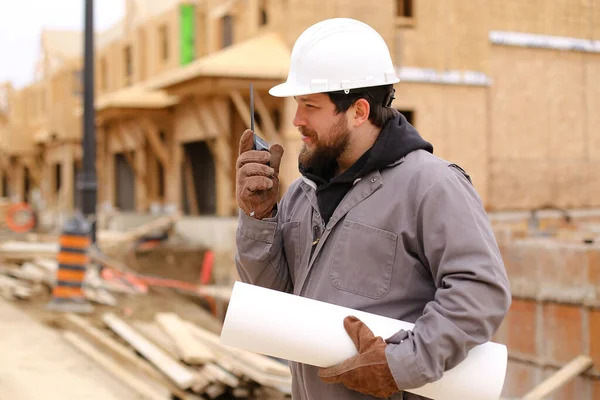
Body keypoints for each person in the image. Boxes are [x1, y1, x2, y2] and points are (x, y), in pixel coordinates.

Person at [234, 17, 511, 400]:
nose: (297, 120)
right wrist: (259, 217)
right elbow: (276, 305)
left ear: (359, 111)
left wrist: (401, 365)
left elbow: (481, 291)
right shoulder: (302, 195)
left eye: (310, 106)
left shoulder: (432, 186)